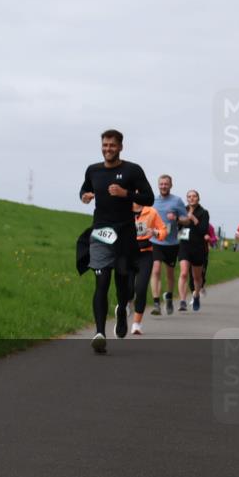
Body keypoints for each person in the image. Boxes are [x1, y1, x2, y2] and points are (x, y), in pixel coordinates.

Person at [77, 130, 155, 354]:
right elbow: (84, 188)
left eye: (112, 145)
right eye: (105, 145)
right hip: (101, 232)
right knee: (101, 282)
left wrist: (126, 193)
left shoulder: (132, 170)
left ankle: (122, 309)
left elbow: (148, 198)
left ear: (121, 147)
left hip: (125, 234)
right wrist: (84, 196)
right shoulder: (93, 170)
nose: (107, 149)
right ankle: (99, 333)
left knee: (123, 284)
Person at [148, 175, 188, 316]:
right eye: (161, 184)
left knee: (170, 273)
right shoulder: (153, 201)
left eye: (166, 184)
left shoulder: (176, 201)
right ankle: (157, 303)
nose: (163, 186)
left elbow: (187, 220)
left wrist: (176, 218)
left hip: (172, 243)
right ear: (158, 185)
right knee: (156, 269)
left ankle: (169, 297)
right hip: (156, 241)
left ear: (171, 185)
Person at [131, 202, 167, 335]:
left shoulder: (151, 212)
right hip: (127, 254)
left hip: (145, 254)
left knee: (140, 288)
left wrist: (156, 232)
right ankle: (127, 303)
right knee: (128, 290)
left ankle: (136, 323)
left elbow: (164, 231)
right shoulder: (122, 208)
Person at [175, 190, 210, 312]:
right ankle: (183, 301)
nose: (191, 198)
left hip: (198, 247)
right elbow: (176, 227)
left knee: (197, 277)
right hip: (184, 245)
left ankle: (196, 296)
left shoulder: (204, 213)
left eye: (194, 196)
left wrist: (194, 219)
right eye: (189, 196)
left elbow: (203, 230)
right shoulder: (182, 210)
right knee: (184, 273)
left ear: (198, 198)